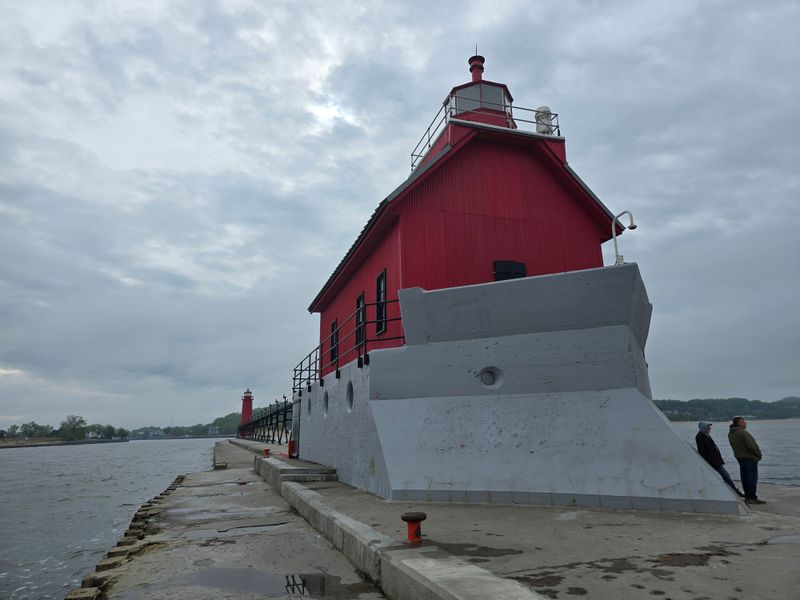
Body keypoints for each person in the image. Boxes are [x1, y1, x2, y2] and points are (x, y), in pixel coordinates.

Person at [695, 421, 745, 498]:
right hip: (713, 462)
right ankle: (735, 491)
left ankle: (732, 491)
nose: (710, 428)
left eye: (709, 427)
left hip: (716, 461)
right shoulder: (700, 437)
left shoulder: (706, 435)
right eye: (708, 427)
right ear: (703, 427)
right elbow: (703, 452)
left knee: (724, 476)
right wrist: (711, 462)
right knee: (726, 476)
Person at [728, 416, 765, 504]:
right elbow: (752, 446)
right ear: (738, 423)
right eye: (743, 421)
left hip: (740, 458)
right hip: (749, 458)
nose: (745, 423)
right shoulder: (743, 433)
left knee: (745, 478)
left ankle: (748, 497)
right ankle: (752, 497)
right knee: (752, 479)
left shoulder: (731, 433)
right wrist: (758, 455)